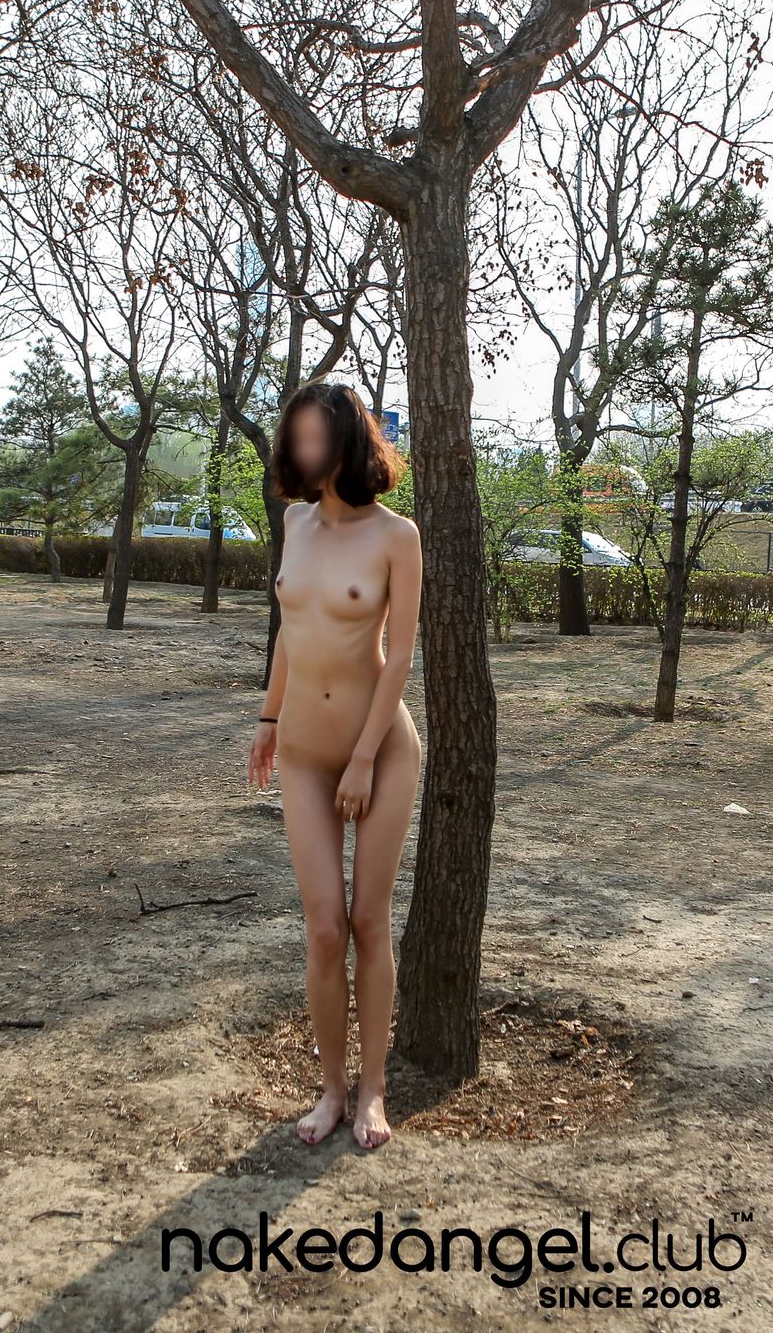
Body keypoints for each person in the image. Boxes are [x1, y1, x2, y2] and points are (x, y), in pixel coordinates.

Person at [246, 381, 423, 1151]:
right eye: (297, 440)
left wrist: (363, 760)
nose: (305, 452)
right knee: (323, 929)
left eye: (318, 439)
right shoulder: (294, 522)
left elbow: (400, 657)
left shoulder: (396, 536)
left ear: (350, 443)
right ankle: (331, 1090)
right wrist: (268, 717)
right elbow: (290, 630)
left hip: (378, 750)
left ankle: (374, 1090)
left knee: (366, 922)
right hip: (303, 753)